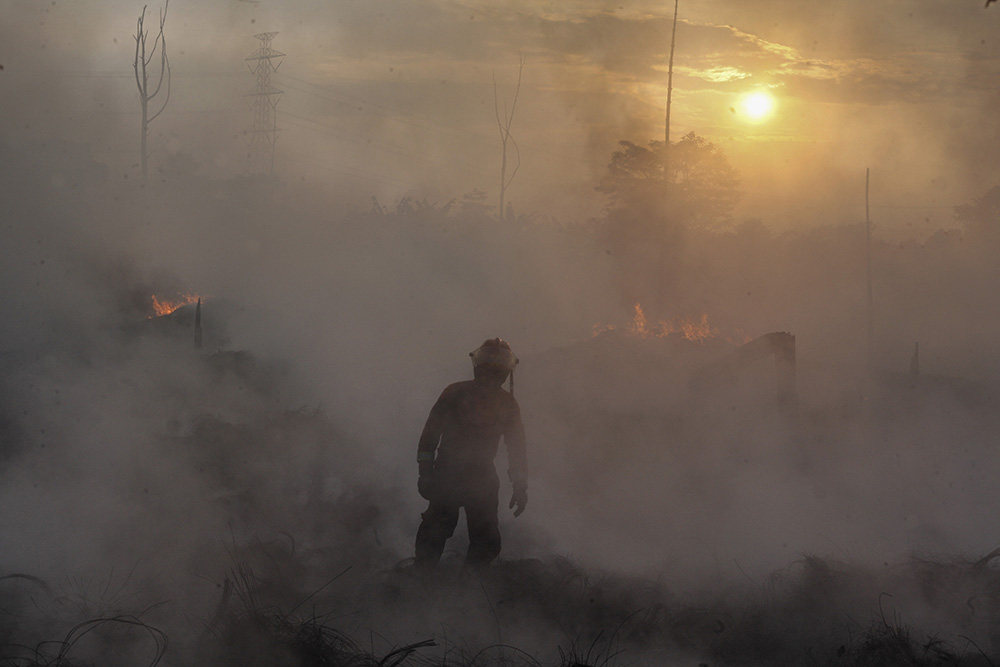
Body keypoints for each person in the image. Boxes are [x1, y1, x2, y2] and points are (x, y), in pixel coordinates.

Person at [414, 338, 528, 572]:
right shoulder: (459, 394)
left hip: (472, 476)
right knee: (436, 534)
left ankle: (468, 590)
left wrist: (520, 485)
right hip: (453, 475)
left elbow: (516, 447)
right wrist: (425, 473)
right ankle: (426, 583)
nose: (492, 372)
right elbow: (430, 436)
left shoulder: (466, 394)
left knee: (482, 539)